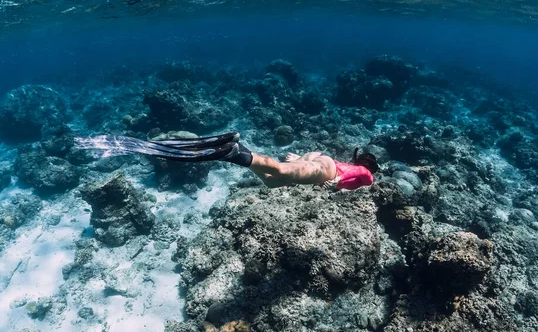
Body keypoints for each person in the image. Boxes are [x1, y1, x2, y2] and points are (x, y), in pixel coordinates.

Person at [75, 132, 377, 190]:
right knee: (277, 169)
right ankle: (234, 153)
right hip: (323, 172)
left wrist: (300, 157)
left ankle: (238, 154)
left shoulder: (347, 161)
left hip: (320, 160)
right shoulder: (368, 173)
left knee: (273, 182)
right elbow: (356, 180)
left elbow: (317, 158)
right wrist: (339, 187)